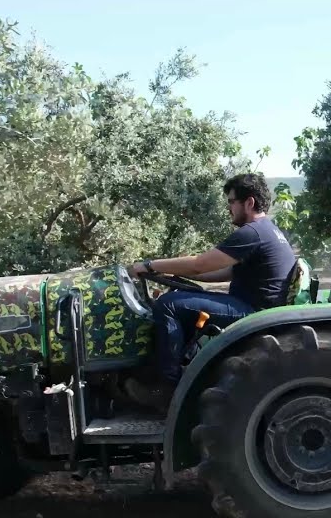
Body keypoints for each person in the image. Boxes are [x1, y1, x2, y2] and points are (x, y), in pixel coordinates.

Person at [123, 172, 296, 411]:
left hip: (253, 312)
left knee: (169, 304)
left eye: (231, 202)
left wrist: (148, 265)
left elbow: (200, 263)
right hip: (253, 307)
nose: (229, 208)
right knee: (180, 299)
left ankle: (167, 390)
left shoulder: (252, 232)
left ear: (249, 203)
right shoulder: (269, 231)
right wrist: (177, 276)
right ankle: (180, 370)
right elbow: (223, 273)